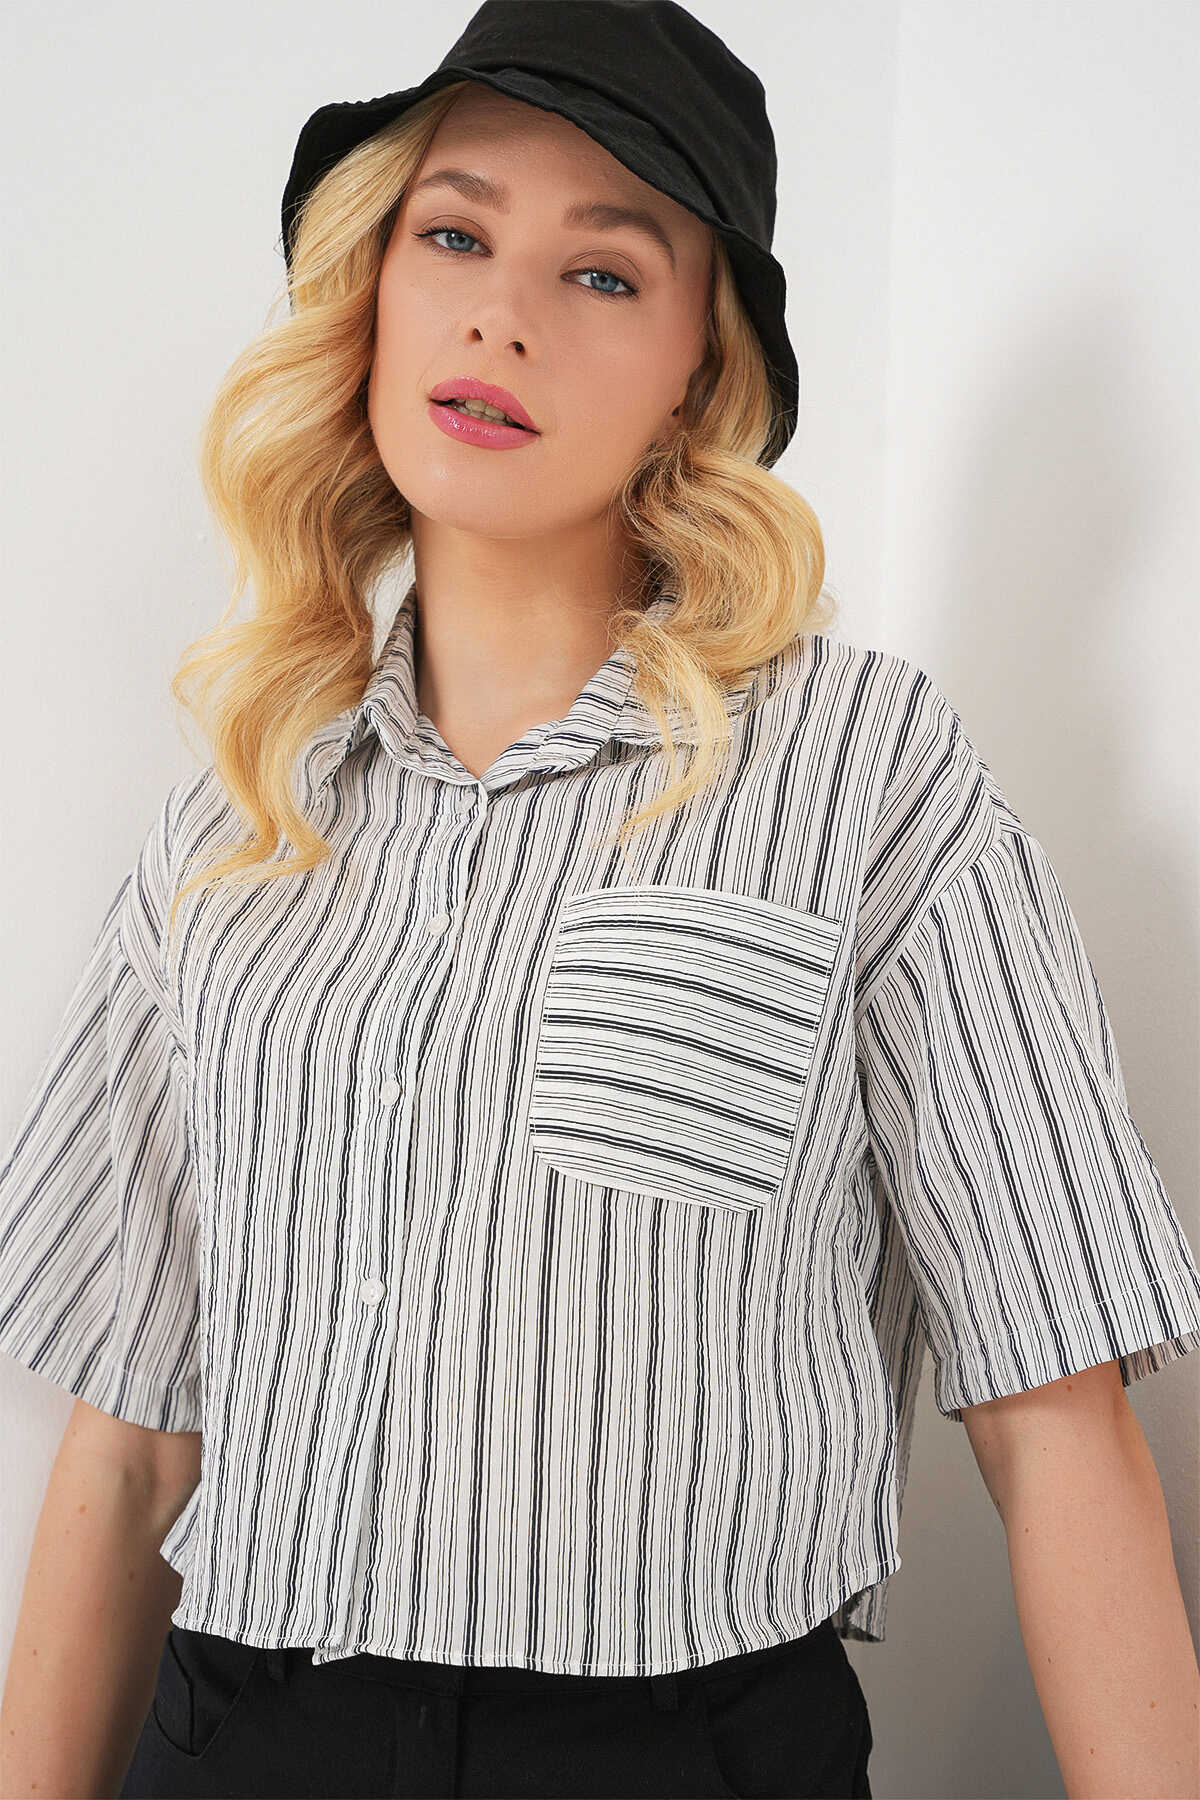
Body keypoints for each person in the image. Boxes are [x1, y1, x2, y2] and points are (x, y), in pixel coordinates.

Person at [2, 4, 1199, 1798]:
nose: (501, 317)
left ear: (700, 377)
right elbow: (122, 1456)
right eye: (455, 236)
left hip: (677, 1754)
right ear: (374, 290)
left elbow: (1057, 1419)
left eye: (605, 273)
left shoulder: (864, 771)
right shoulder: (236, 821)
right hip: (245, 1738)